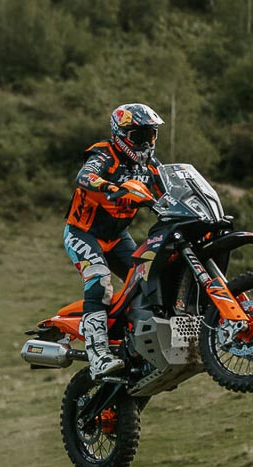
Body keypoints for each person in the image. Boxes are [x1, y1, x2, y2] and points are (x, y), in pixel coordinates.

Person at [63, 103, 166, 379]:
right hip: (83, 232)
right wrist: (111, 187)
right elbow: (84, 176)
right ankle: (98, 355)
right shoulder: (104, 154)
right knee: (99, 281)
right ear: (120, 134)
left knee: (147, 278)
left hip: (118, 237)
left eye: (150, 135)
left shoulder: (151, 166)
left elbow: (169, 191)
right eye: (139, 136)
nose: (146, 143)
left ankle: (139, 346)